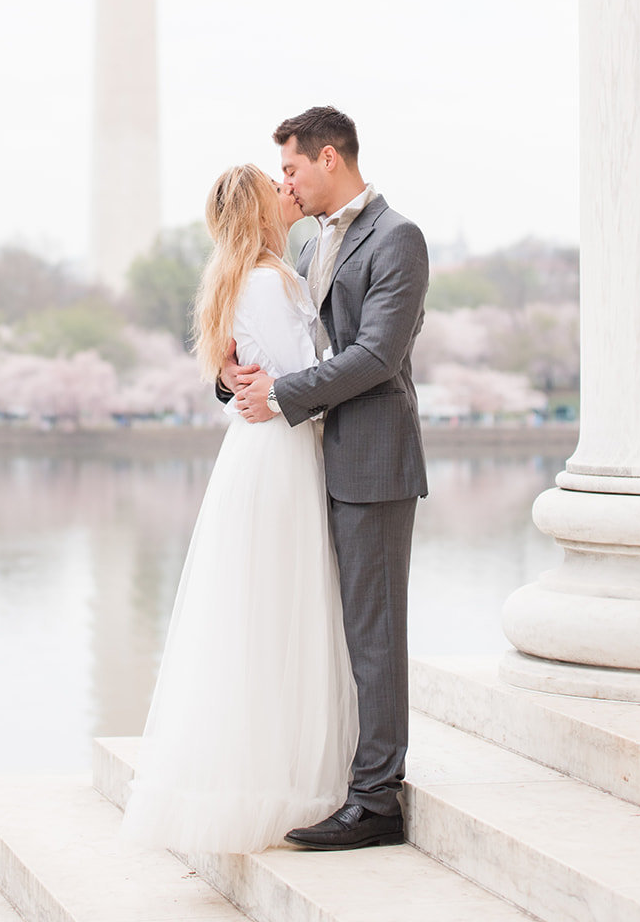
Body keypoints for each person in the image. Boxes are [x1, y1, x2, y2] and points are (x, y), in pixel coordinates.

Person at [119, 163, 357, 854]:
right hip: (280, 451)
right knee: (291, 606)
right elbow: (302, 376)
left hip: (252, 455)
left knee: (256, 610)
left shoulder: (234, 279)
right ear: (259, 211)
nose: (289, 192)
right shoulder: (270, 279)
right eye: (274, 187)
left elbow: (262, 370)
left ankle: (264, 760)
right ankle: (295, 773)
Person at [222, 105, 429, 852]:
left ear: (330, 158)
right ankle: (348, 774)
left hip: (373, 458)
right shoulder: (311, 243)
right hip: (319, 457)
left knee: (373, 634)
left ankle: (378, 798)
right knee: (338, 632)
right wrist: (236, 378)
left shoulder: (397, 237)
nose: (285, 182)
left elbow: (376, 356)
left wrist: (277, 396)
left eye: (291, 168)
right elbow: (298, 343)